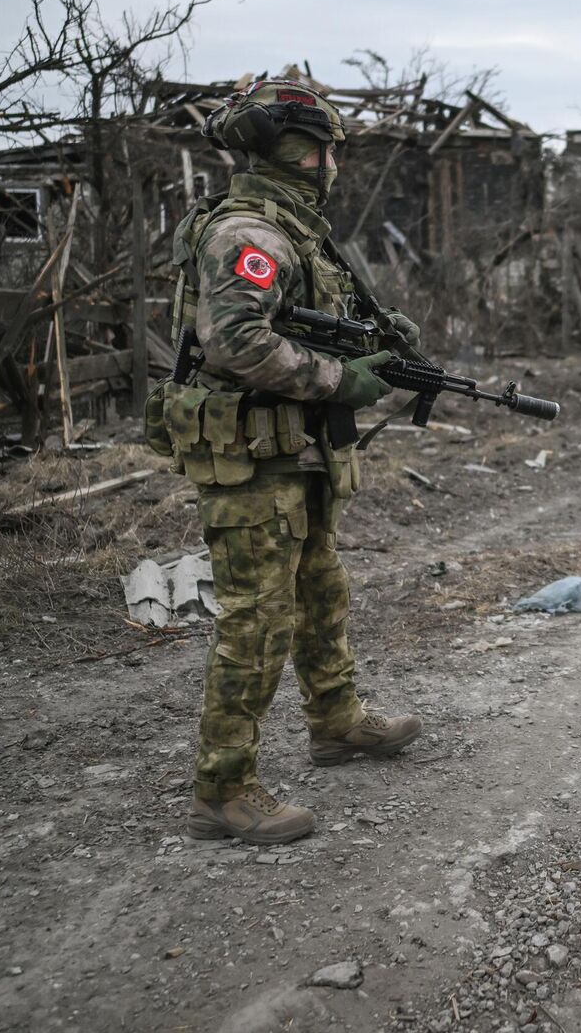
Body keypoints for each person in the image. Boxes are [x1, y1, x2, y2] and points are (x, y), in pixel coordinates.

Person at [150, 78, 423, 844]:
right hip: (251, 460)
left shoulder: (293, 228)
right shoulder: (252, 235)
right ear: (294, 150)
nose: (332, 161)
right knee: (257, 621)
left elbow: (304, 328)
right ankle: (223, 790)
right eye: (325, 147)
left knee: (320, 591)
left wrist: (372, 339)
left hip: (293, 451)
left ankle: (336, 722)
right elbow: (236, 342)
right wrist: (343, 380)